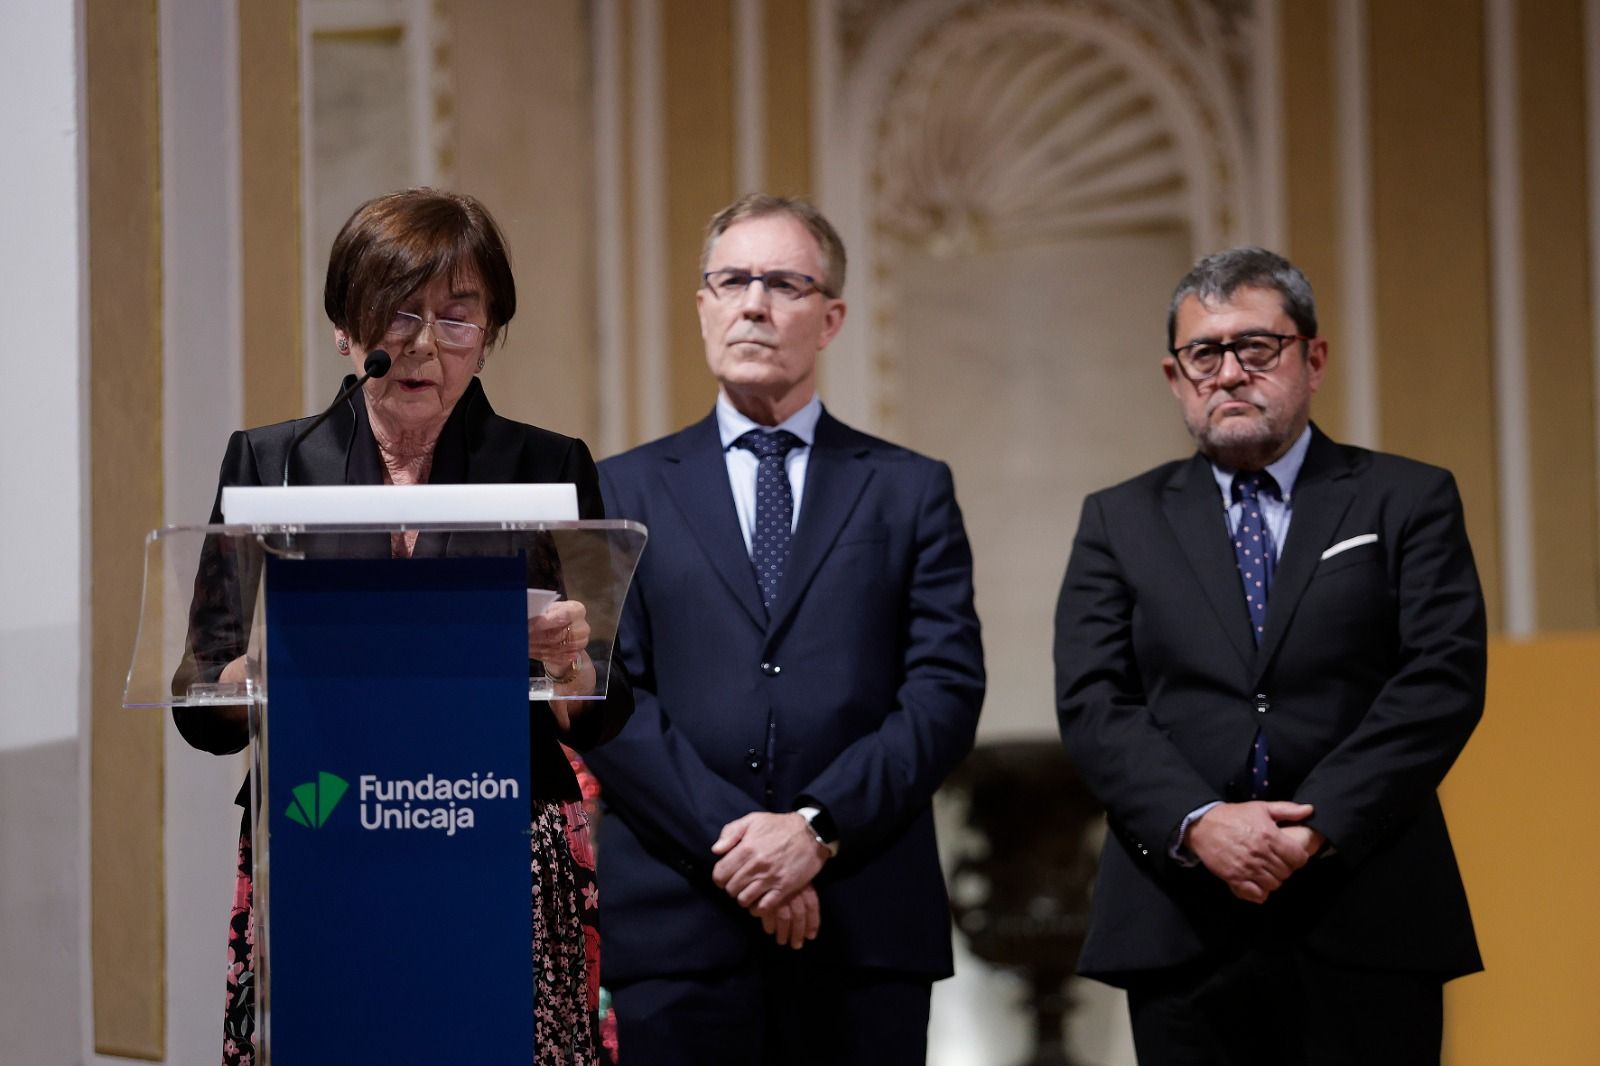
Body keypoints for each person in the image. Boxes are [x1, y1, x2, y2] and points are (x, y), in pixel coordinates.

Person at [172, 188, 631, 1066]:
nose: (425, 344)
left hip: (502, 835)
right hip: (320, 828)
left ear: (489, 335)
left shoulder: (544, 465)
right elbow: (203, 704)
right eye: (401, 314)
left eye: (459, 319)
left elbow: (610, 701)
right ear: (347, 329)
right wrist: (264, 667)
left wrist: (570, 661)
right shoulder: (270, 463)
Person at [1053, 246, 1487, 1065]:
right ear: (1176, 378)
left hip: (1366, 907)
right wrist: (1201, 823)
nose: (1228, 373)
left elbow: (1440, 681)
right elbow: (1093, 699)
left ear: (1312, 357)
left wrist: (1314, 827)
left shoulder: (1406, 498)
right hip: (1182, 917)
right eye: (1204, 354)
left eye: (1256, 347)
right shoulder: (1119, 520)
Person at [586, 194, 985, 1064]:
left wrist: (813, 827)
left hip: (863, 918)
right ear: (702, 306)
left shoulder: (908, 488)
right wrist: (745, 848)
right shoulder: (619, 491)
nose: (753, 304)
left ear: (832, 316)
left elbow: (944, 694)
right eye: (731, 281)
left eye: (783, 283)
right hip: (679, 922)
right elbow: (606, 693)